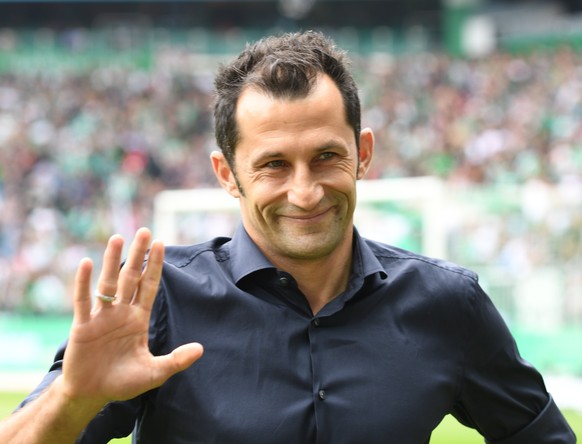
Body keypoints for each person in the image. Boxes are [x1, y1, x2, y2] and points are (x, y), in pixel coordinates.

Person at [0, 31, 576, 444]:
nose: (305, 192)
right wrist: (72, 401)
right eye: (273, 164)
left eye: (326, 156)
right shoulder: (159, 303)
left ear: (363, 154)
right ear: (227, 174)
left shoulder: (449, 304)